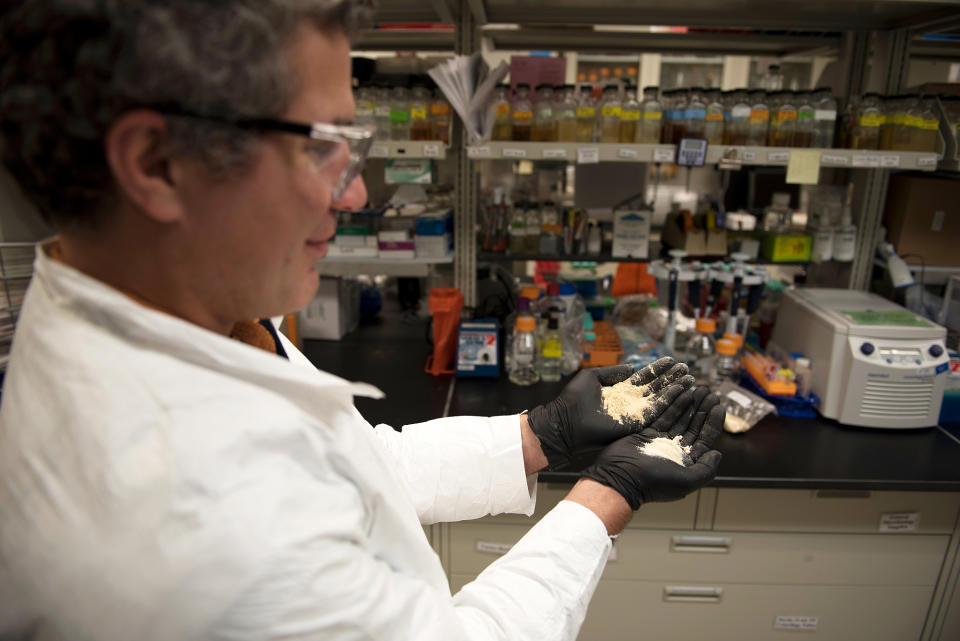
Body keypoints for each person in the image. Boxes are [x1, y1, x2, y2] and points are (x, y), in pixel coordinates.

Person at [0, 2, 723, 640]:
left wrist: (538, 435)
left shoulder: (182, 308)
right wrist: (606, 497)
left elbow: (349, 466)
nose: (358, 192)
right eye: (320, 144)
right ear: (157, 164)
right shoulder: (197, 528)